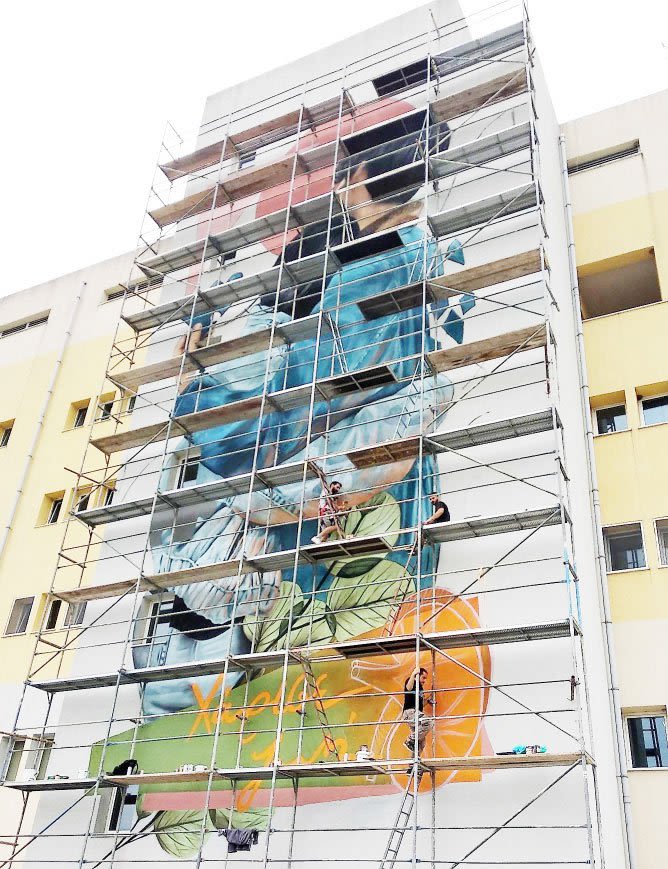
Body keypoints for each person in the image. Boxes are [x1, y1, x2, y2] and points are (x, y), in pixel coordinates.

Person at [400, 666, 433, 755]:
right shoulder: (412, 682)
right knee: (428, 722)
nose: (424, 681)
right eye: (423, 677)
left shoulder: (420, 688)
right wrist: (414, 673)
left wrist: (428, 699)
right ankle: (410, 740)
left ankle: (414, 762)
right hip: (410, 712)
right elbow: (408, 688)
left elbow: (421, 704)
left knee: (421, 742)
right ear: (417, 676)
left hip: (416, 713)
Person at [311, 480, 348, 544]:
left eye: (339, 488)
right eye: (337, 487)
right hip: (326, 513)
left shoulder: (332, 496)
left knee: (325, 535)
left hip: (326, 514)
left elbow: (334, 506)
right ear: (332, 485)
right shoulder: (326, 491)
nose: (338, 489)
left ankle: (319, 543)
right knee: (336, 526)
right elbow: (330, 503)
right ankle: (317, 537)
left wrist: (340, 508)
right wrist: (338, 508)